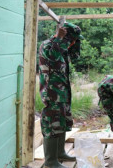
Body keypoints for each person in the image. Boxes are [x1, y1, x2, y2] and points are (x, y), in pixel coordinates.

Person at [38, 22, 84, 168]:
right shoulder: (48, 45)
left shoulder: (62, 47)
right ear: (65, 37)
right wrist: (59, 38)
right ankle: (50, 161)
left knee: (61, 122)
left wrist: (76, 42)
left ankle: (59, 153)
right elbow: (52, 56)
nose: (73, 43)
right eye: (72, 40)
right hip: (52, 94)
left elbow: (75, 56)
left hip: (62, 93)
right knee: (52, 124)